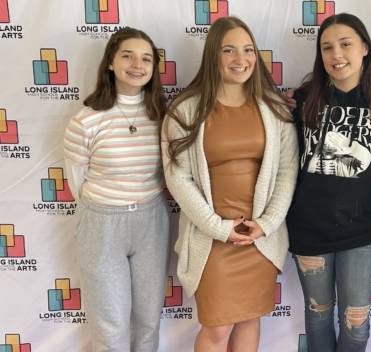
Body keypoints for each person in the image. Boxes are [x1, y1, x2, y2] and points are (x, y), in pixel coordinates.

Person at [161, 16, 298, 352]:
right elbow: (177, 176)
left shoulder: (275, 109)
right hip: (212, 243)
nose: (241, 58)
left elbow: (287, 172)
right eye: (229, 50)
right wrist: (218, 227)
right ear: (214, 56)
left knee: (250, 320)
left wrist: (265, 225)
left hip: (259, 241)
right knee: (217, 330)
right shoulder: (184, 111)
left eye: (248, 49)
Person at [287, 13, 371, 352]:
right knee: (318, 316)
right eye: (327, 48)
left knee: (356, 323)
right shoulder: (304, 100)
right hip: (308, 229)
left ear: (365, 47)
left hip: (361, 232)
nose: (337, 55)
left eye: (346, 44)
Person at [63, 27, 169, 351]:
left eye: (146, 59)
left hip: (151, 221)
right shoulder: (86, 121)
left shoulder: (163, 115)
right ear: (111, 61)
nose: (137, 65)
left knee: (149, 320)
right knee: (110, 326)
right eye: (128, 55)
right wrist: (109, 206)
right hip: (102, 224)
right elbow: (76, 182)